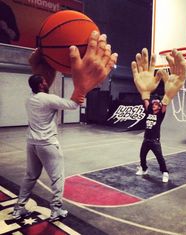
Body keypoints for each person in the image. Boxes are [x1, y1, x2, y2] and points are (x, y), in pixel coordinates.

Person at [12, 31, 118, 221]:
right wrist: (82, 88)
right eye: (44, 80)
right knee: (57, 177)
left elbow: (53, 97)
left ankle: (19, 208)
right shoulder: (48, 99)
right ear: (43, 84)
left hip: (32, 143)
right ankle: (56, 209)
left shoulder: (31, 100)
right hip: (47, 144)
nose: (46, 81)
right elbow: (73, 104)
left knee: (30, 176)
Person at [131, 48, 186, 182]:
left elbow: (166, 101)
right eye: (154, 104)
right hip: (146, 140)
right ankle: (144, 168)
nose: (155, 105)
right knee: (142, 156)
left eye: (157, 104)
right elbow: (145, 99)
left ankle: (165, 172)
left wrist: (168, 94)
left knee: (160, 158)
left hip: (155, 141)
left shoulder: (160, 114)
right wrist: (144, 90)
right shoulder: (149, 110)